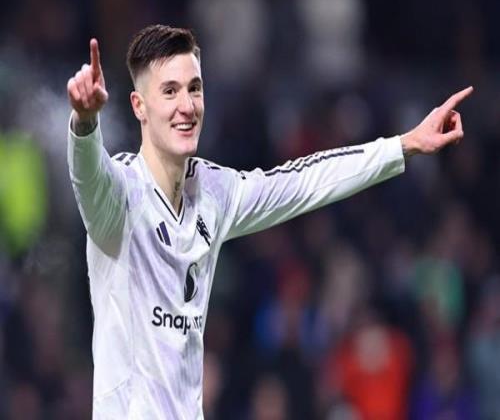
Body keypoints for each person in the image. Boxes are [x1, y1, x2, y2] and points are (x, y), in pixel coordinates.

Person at [66, 24, 472, 419]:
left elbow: (305, 181)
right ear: (139, 106)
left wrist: (404, 145)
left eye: (194, 88)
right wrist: (85, 124)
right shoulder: (121, 196)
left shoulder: (213, 193)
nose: (187, 106)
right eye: (169, 91)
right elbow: (89, 175)